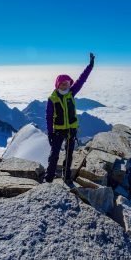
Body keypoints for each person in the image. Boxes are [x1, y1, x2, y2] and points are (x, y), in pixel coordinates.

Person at [43, 52, 95, 184]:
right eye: (62, 84)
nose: (65, 86)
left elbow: (81, 80)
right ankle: (48, 178)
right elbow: (49, 117)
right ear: (57, 85)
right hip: (58, 131)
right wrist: (50, 132)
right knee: (54, 155)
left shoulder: (71, 93)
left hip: (71, 130)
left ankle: (66, 177)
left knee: (69, 154)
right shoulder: (52, 99)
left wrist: (90, 66)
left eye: (67, 83)